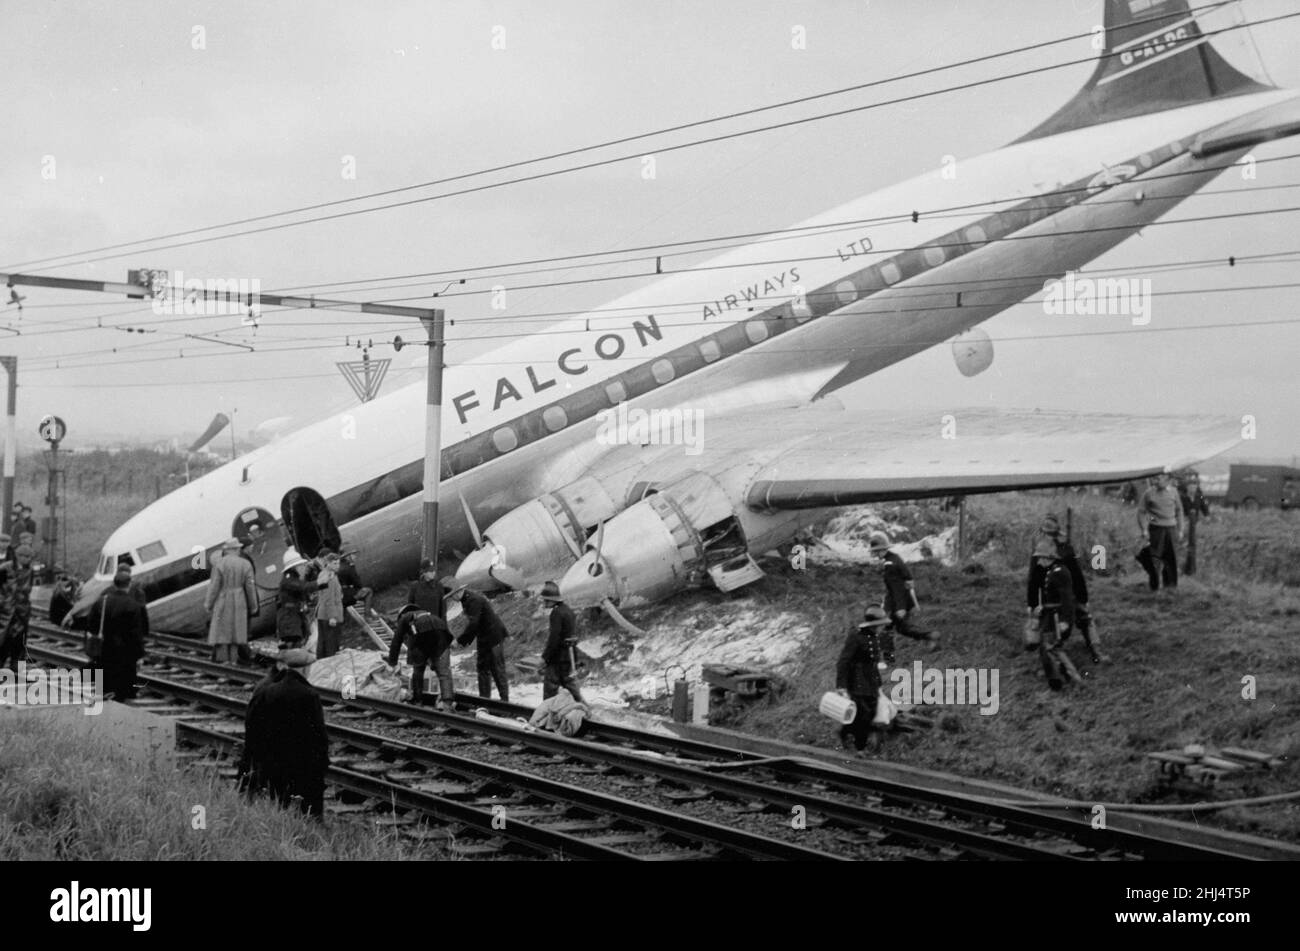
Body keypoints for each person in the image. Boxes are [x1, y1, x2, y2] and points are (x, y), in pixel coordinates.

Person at [238, 648, 329, 820]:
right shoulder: (309, 694)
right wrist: (322, 761)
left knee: (277, 801)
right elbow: (318, 734)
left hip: (272, 759)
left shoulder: (268, 690)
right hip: (301, 762)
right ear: (304, 669)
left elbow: (254, 725)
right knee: (303, 806)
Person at [1037, 515, 1107, 663]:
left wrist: (1083, 598)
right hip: (1055, 595)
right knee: (1064, 623)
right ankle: (1058, 653)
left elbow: (1076, 574)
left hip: (1063, 593)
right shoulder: (1048, 548)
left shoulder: (1061, 548)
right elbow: (1037, 576)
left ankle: (1096, 651)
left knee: (1083, 617)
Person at [867, 531, 940, 653]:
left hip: (896, 602)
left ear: (882, 550)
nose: (875, 555)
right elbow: (908, 577)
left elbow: (897, 587)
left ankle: (888, 659)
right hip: (900, 600)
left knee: (885, 627)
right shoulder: (895, 558)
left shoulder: (890, 565)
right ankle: (930, 636)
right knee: (902, 628)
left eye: (876, 551)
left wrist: (900, 607)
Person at [85, 564, 149, 700]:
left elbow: (91, 625)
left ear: (114, 583)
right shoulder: (132, 605)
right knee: (123, 690)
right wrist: (139, 654)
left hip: (104, 649)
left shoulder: (102, 601)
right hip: (125, 652)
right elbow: (136, 634)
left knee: (103, 685)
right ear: (128, 584)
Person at [1026, 538, 1081, 691]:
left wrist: (1065, 621)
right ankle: (1057, 678)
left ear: (1049, 557)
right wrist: (1041, 608)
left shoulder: (1060, 573)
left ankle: (1074, 678)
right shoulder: (1051, 571)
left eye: (1041, 558)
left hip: (1057, 617)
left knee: (1053, 647)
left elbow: (1067, 600)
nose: (1039, 561)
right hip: (1050, 614)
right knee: (1048, 647)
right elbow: (1051, 597)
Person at [835, 605, 891, 754]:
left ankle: (846, 732)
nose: (882, 627)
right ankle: (860, 748)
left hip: (871, 681)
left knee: (871, 712)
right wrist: (841, 685)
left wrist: (878, 683)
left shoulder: (876, 638)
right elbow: (843, 661)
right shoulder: (856, 637)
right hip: (857, 681)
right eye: (880, 625)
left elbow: (874, 662)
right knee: (863, 714)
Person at [445, 578, 510, 701]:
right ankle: (484, 701)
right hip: (484, 636)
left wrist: (460, 641)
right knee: (482, 669)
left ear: (458, 592)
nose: (452, 599)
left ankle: (505, 702)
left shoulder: (473, 600)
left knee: (497, 670)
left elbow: (473, 624)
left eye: (452, 596)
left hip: (493, 636)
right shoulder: (467, 600)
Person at [385, 602, 455, 709]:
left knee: (418, 670)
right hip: (443, 635)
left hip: (422, 635)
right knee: (444, 672)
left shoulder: (405, 617)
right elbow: (435, 639)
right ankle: (447, 703)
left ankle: (418, 701)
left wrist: (392, 662)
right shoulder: (429, 615)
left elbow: (396, 641)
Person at [205, 538, 258, 664]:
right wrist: (253, 605)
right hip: (240, 599)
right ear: (235, 549)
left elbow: (214, 586)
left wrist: (209, 603)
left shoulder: (219, 564)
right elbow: (250, 587)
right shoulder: (246, 564)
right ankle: (234, 661)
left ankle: (223, 661)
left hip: (223, 599)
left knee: (223, 631)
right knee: (237, 631)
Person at [1138, 473, 1185, 591]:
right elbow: (1141, 512)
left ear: (1167, 480)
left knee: (1171, 558)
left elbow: (1179, 511)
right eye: (1154, 478)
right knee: (1154, 559)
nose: (1155, 481)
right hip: (1156, 530)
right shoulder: (1149, 493)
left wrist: (1181, 530)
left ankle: (1170, 587)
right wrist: (1144, 529)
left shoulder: (1174, 492)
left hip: (1171, 529)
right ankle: (1154, 587)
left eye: (1158, 479)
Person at [540, 580, 584, 703]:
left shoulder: (556, 613)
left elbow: (554, 638)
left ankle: (546, 711)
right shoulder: (568, 610)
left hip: (558, 657)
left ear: (552, 599)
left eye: (546, 600)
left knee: (550, 687)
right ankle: (583, 708)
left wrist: (545, 657)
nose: (544, 603)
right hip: (569, 656)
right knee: (570, 685)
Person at [0, 545, 35, 672]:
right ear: (18, 556)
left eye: (30, 557)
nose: (28, 559)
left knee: (20, 641)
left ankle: (17, 669)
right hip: (6, 610)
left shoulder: (29, 571)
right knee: (3, 640)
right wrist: (3, 602)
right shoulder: (5, 568)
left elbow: (28, 589)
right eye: (25, 557)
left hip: (22, 610)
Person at [277, 549, 320, 648]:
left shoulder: (293, 579)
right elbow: (303, 587)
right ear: (294, 568)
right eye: (301, 565)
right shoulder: (289, 581)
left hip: (296, 615)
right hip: (289, 618)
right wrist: (320, 582)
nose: (303, 567)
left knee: (302, 640)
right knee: (293, 643)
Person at [1178, 474, 1211, 576]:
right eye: (1191, 486)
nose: (1193, 488)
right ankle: (1182, 565)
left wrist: (1207, 515)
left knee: (1194, 542)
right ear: (1187, 487)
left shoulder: (1199, 496)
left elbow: (1204, 505)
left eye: (1195, 486)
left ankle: (1192, 566)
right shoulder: (1182, 497)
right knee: (1185, 542)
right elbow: (1178, 510)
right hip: (1185, 521)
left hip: (1195, 522)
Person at [313, 550, 344, 659]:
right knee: (331, 645)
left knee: (323, 643)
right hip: (328, 616)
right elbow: (328, 598)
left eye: (338, 563)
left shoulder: (325, 574)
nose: (337, 566)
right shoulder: (329, 577)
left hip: (323, 614)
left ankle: (322, 666)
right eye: (335, 563)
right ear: (328, 563)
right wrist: (332, 617)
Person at [336, 551, 373, 618]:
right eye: (352, 555)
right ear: (347, 557)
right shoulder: (349, 567)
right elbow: (358, 584)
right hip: (345, 597)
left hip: (336, 596)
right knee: (368, 591)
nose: (355, 557)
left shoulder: (336, 566)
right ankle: (368, 616)